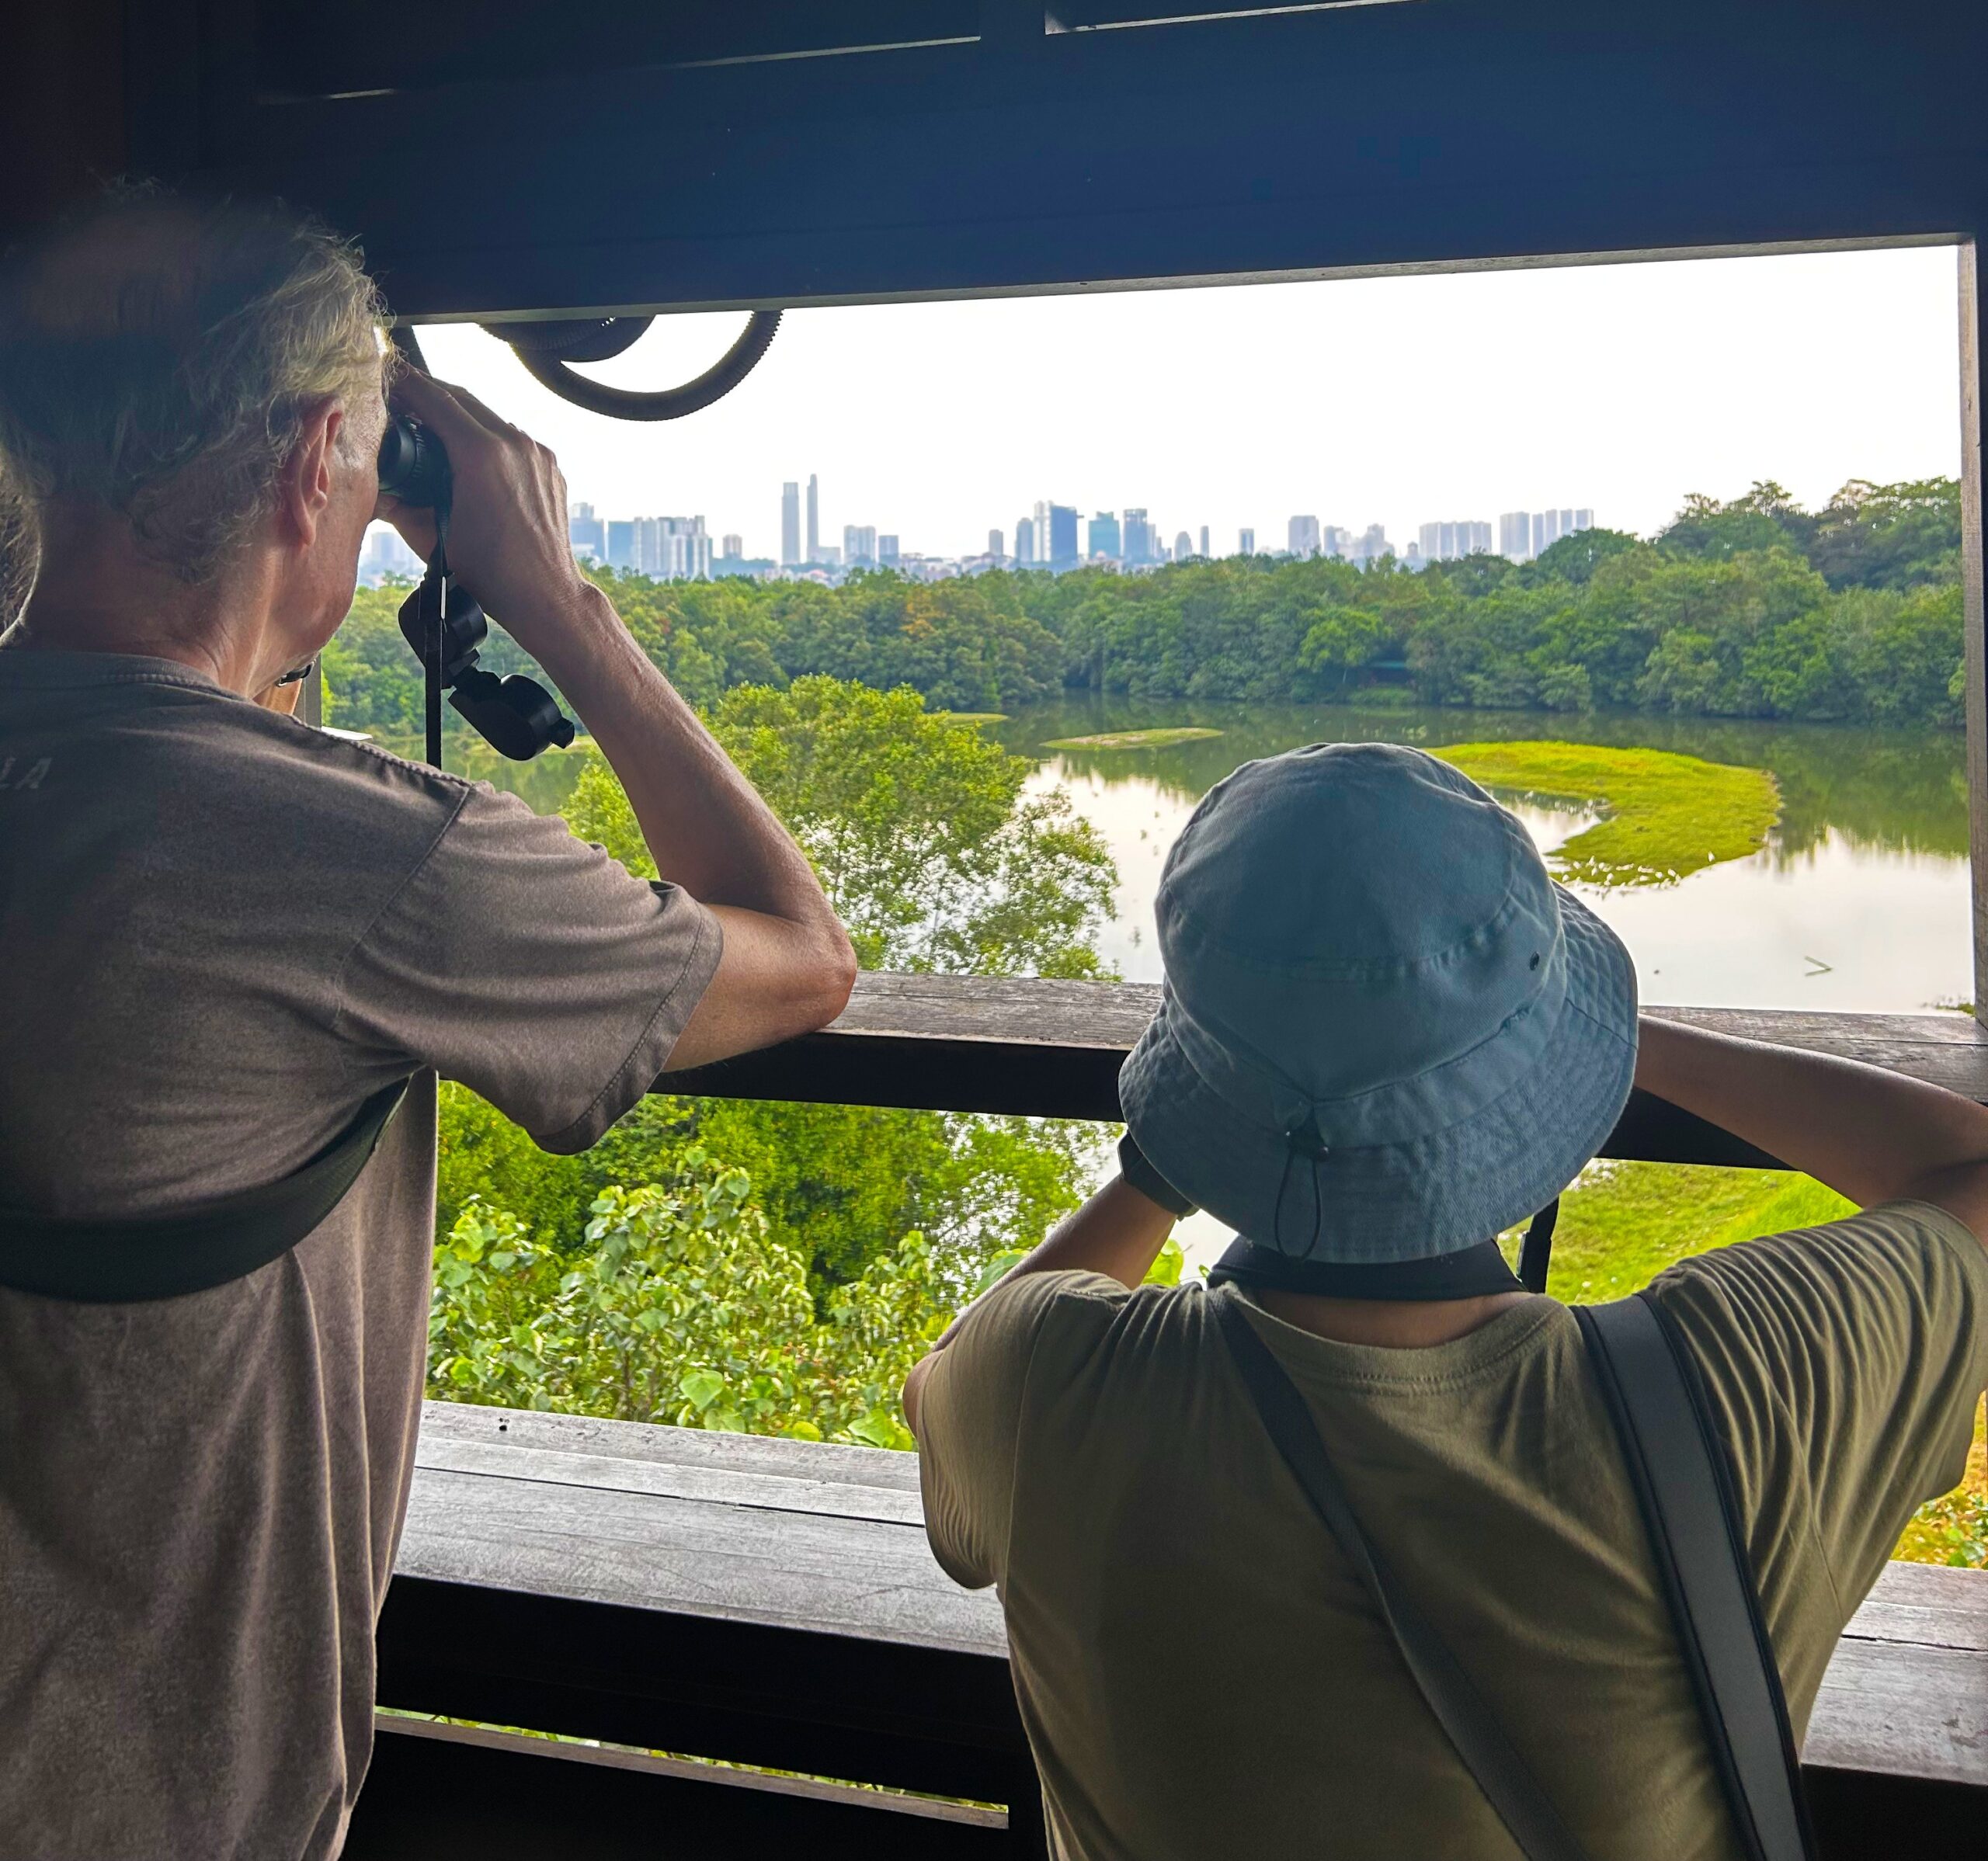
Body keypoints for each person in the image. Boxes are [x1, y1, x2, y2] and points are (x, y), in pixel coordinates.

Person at [0, 191, 854, 1859]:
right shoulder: (358, 857)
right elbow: (803, 955)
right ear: (319, 462)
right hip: (161, 1791)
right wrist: (554, 596)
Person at [905, 741, 1988, 1861]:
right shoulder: (1750, 1377)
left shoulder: (1044, 1382)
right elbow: (1969, 1166)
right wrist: (1574, 1028)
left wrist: (1172, 1158)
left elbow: (936, 1387)